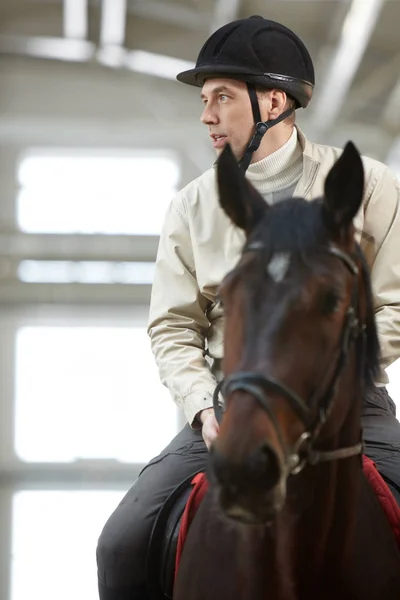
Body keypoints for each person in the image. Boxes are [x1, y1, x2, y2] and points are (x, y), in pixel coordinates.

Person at [97, 15, 400, 600]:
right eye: (205, 101)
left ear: (274, 102)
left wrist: (327, 371)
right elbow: (173, 327)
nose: (206, 115)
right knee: (122, 541)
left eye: (222, 98)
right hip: (232, 405)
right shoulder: (191, 206)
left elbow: (398, 305)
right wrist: (202, 411)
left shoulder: (368, 185)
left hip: (350, 407)